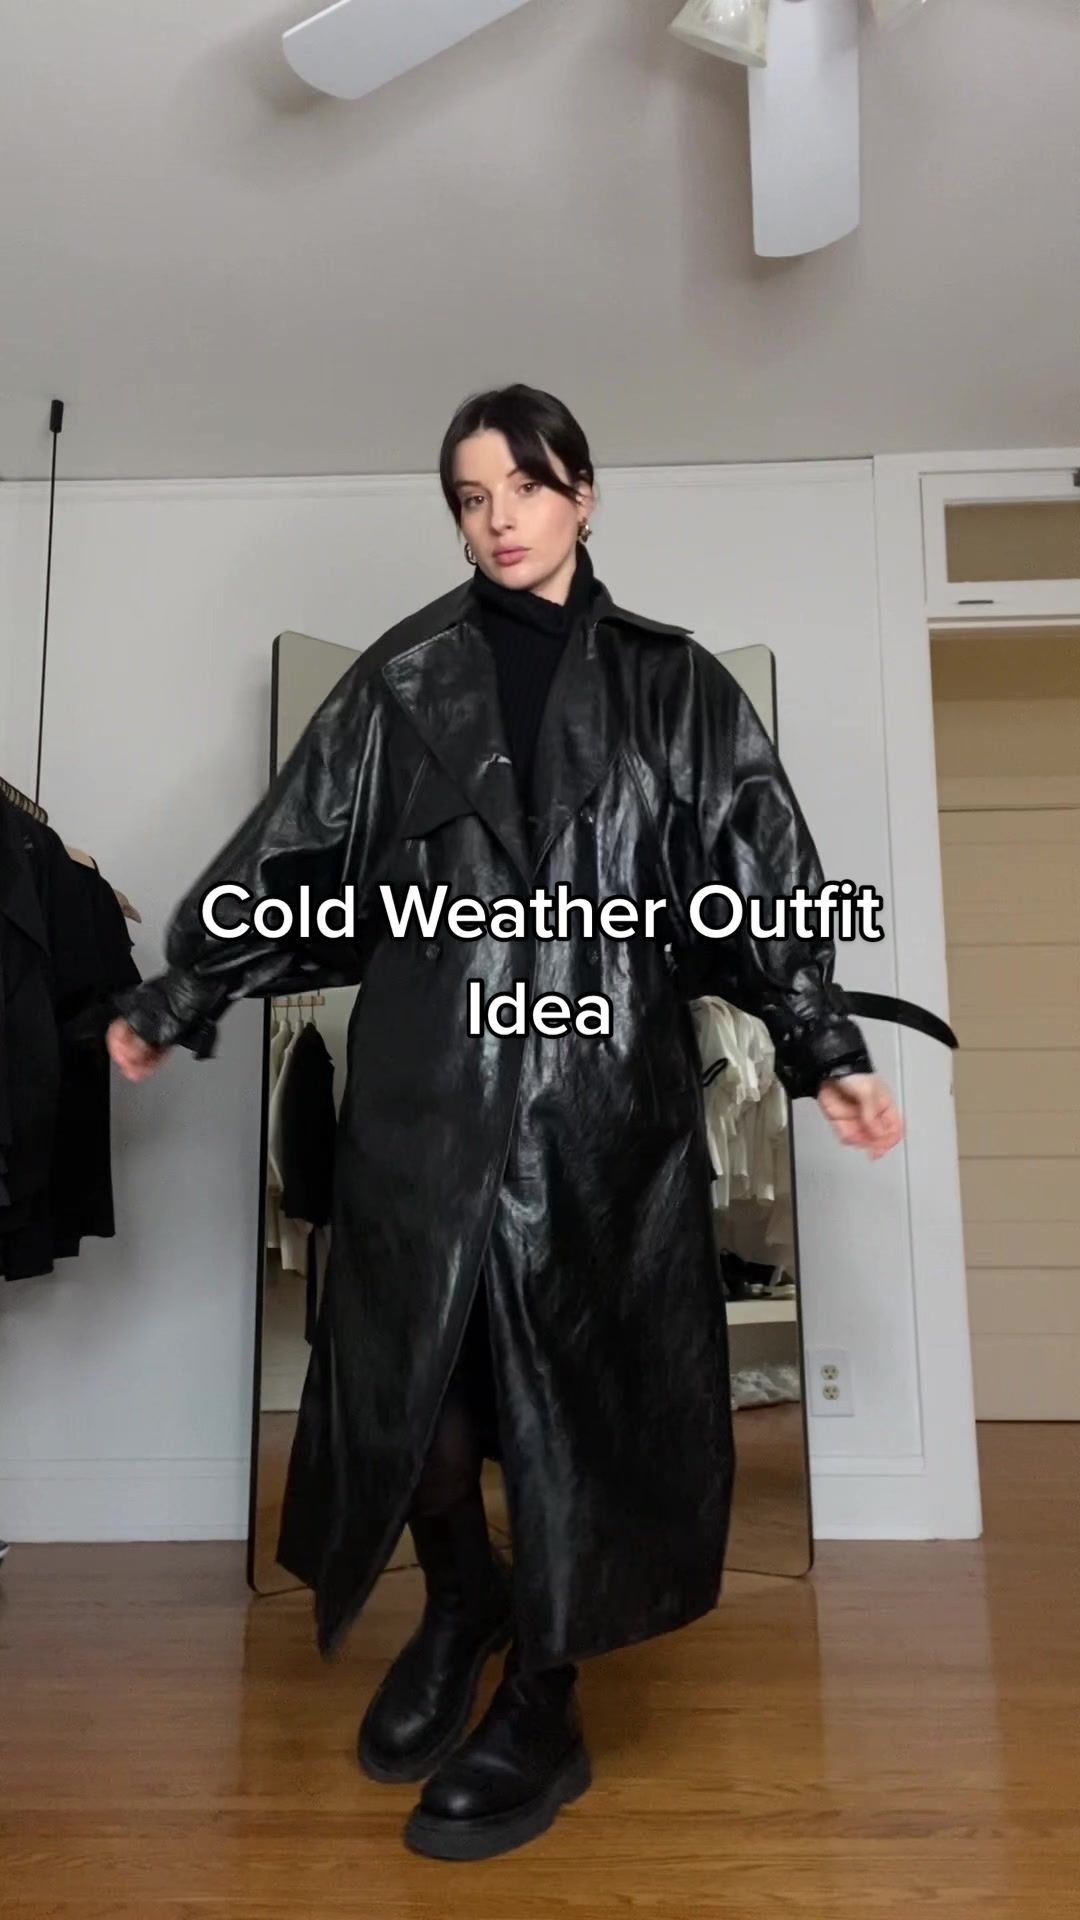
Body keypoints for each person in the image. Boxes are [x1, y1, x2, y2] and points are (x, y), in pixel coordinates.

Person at [107, 383, 903, 1863]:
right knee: (415, 1392)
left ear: (583, 495)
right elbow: (287, 856)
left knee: (569, 1412)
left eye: (525, 488)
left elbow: (766, 883)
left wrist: (825, 1046)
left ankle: (544, 1699)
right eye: (472, 498)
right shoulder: (401, 685)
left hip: (600, 1117)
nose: (499, 519)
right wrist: (183, 993)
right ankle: (463, 1599)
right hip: (424, 1103)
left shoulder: (674, 689)